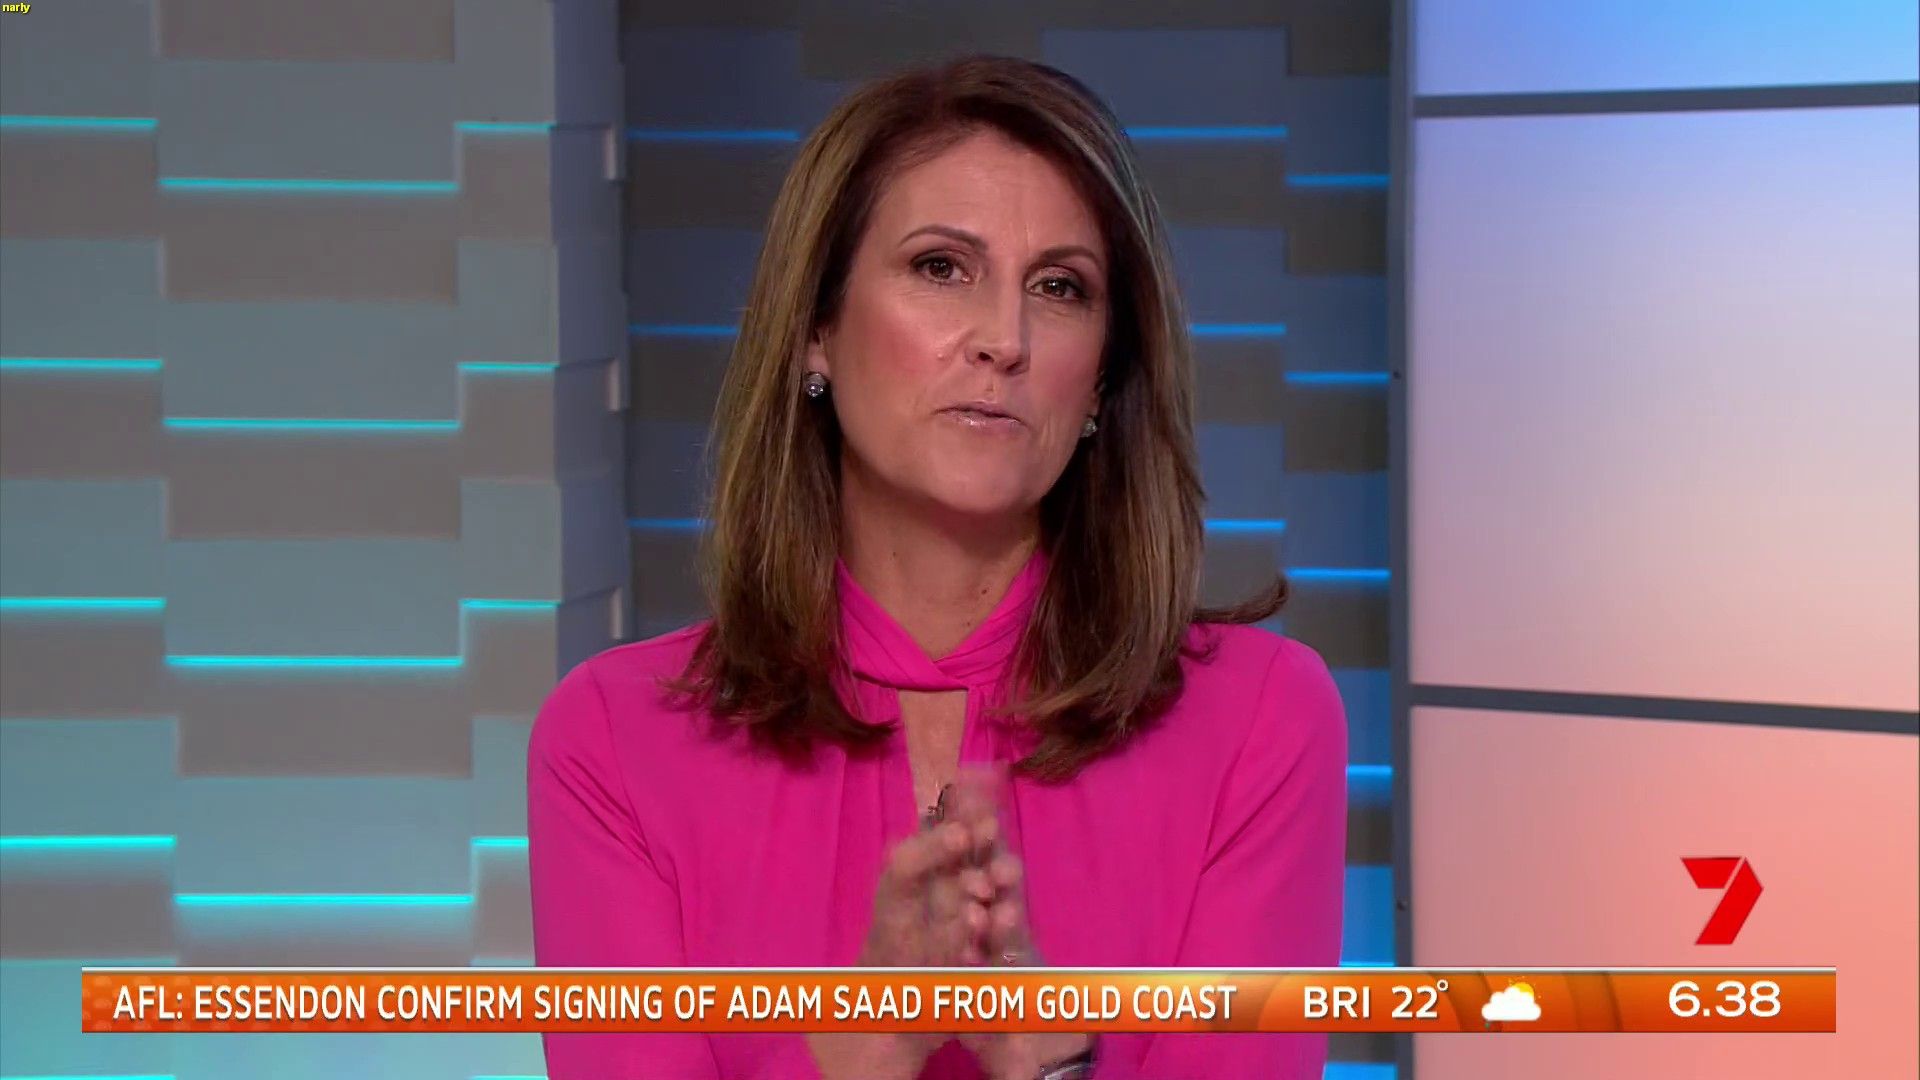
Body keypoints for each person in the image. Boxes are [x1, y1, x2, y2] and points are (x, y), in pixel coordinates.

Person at [527, 54, 1348, 1080]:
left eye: (1059, 287)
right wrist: (867, 1042)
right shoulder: (613, 744)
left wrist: (1050, 1063)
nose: (1003, 339)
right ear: (815, 330)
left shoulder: (1261, 722)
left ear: (1102, 381)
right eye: (941, 267)